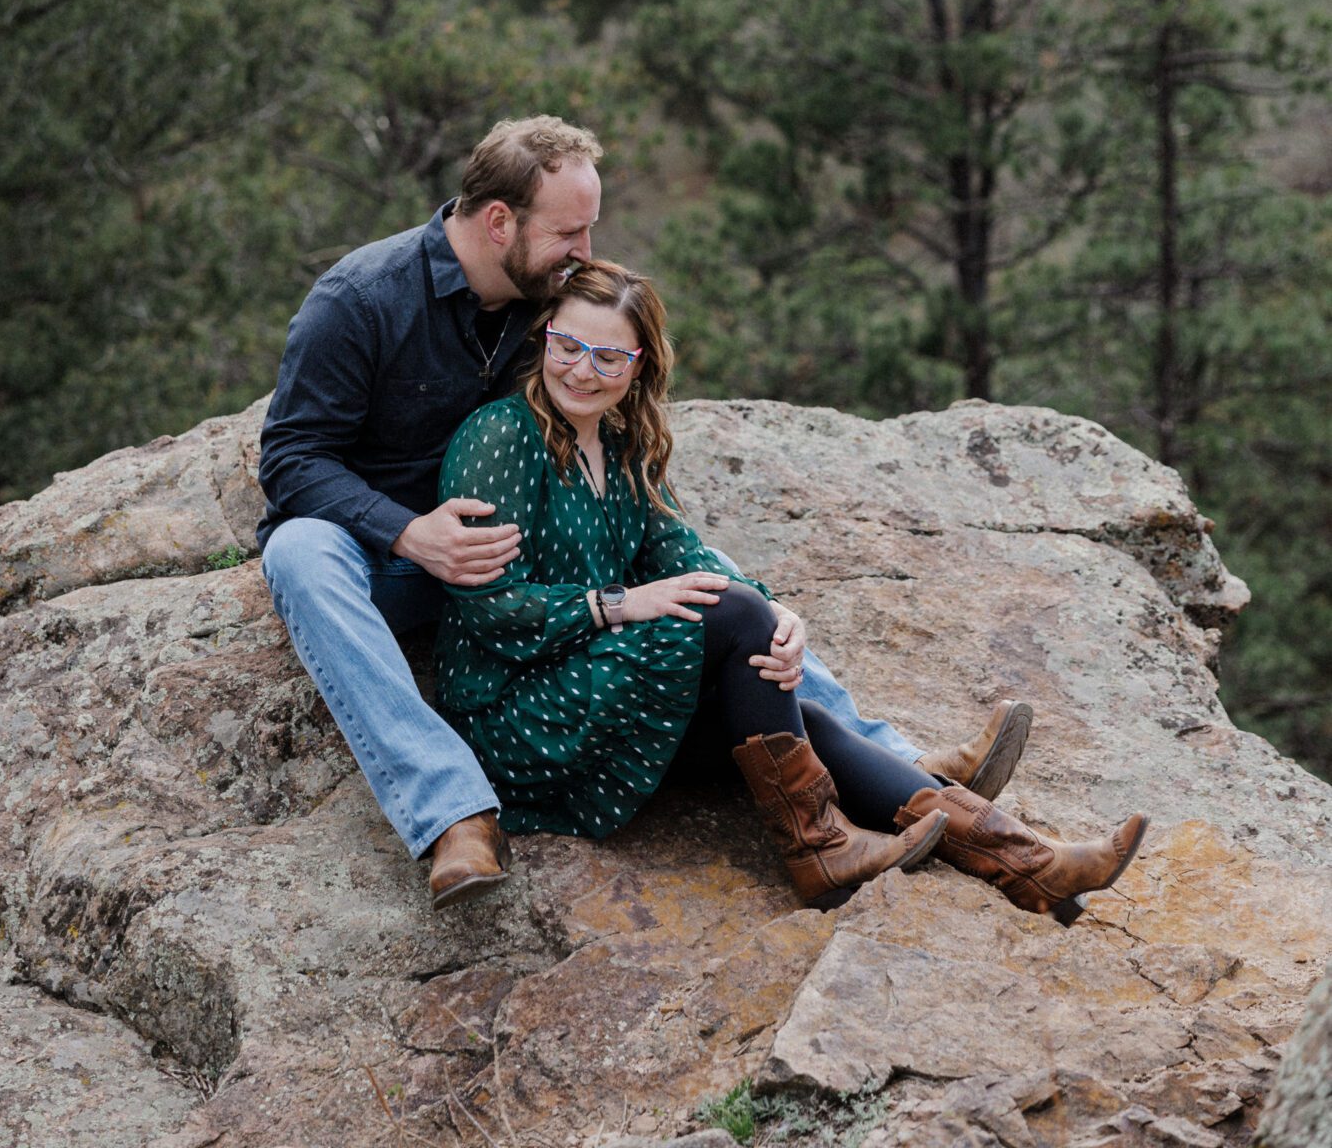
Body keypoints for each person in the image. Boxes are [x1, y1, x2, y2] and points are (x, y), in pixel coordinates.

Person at [257, 113, 1031, 911]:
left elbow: (608, 402)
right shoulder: (360, 299)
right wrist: (410, 533)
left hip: (510, 557)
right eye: (571, 232)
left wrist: (752, 601)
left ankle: (891, 762)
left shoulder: (547, 302)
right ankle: (451, 810)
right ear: (499, 222)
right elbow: (288, 460)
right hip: (390, 558)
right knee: (298, 553)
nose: (585, 253)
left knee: (727, 590)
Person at [435, 260, 1148, 920]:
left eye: (609, 357)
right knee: (737, 622)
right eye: (566, 346)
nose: (581, 371)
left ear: (638, 365)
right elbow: (489, 610)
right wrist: (620, 603)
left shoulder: (622, 445)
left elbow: (677, 550)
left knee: (811, 724)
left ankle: (1030, 864)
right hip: (522, 718)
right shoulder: (502, 437)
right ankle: (821, 848)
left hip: (601, 698)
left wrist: (775, 611)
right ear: (544, 337)